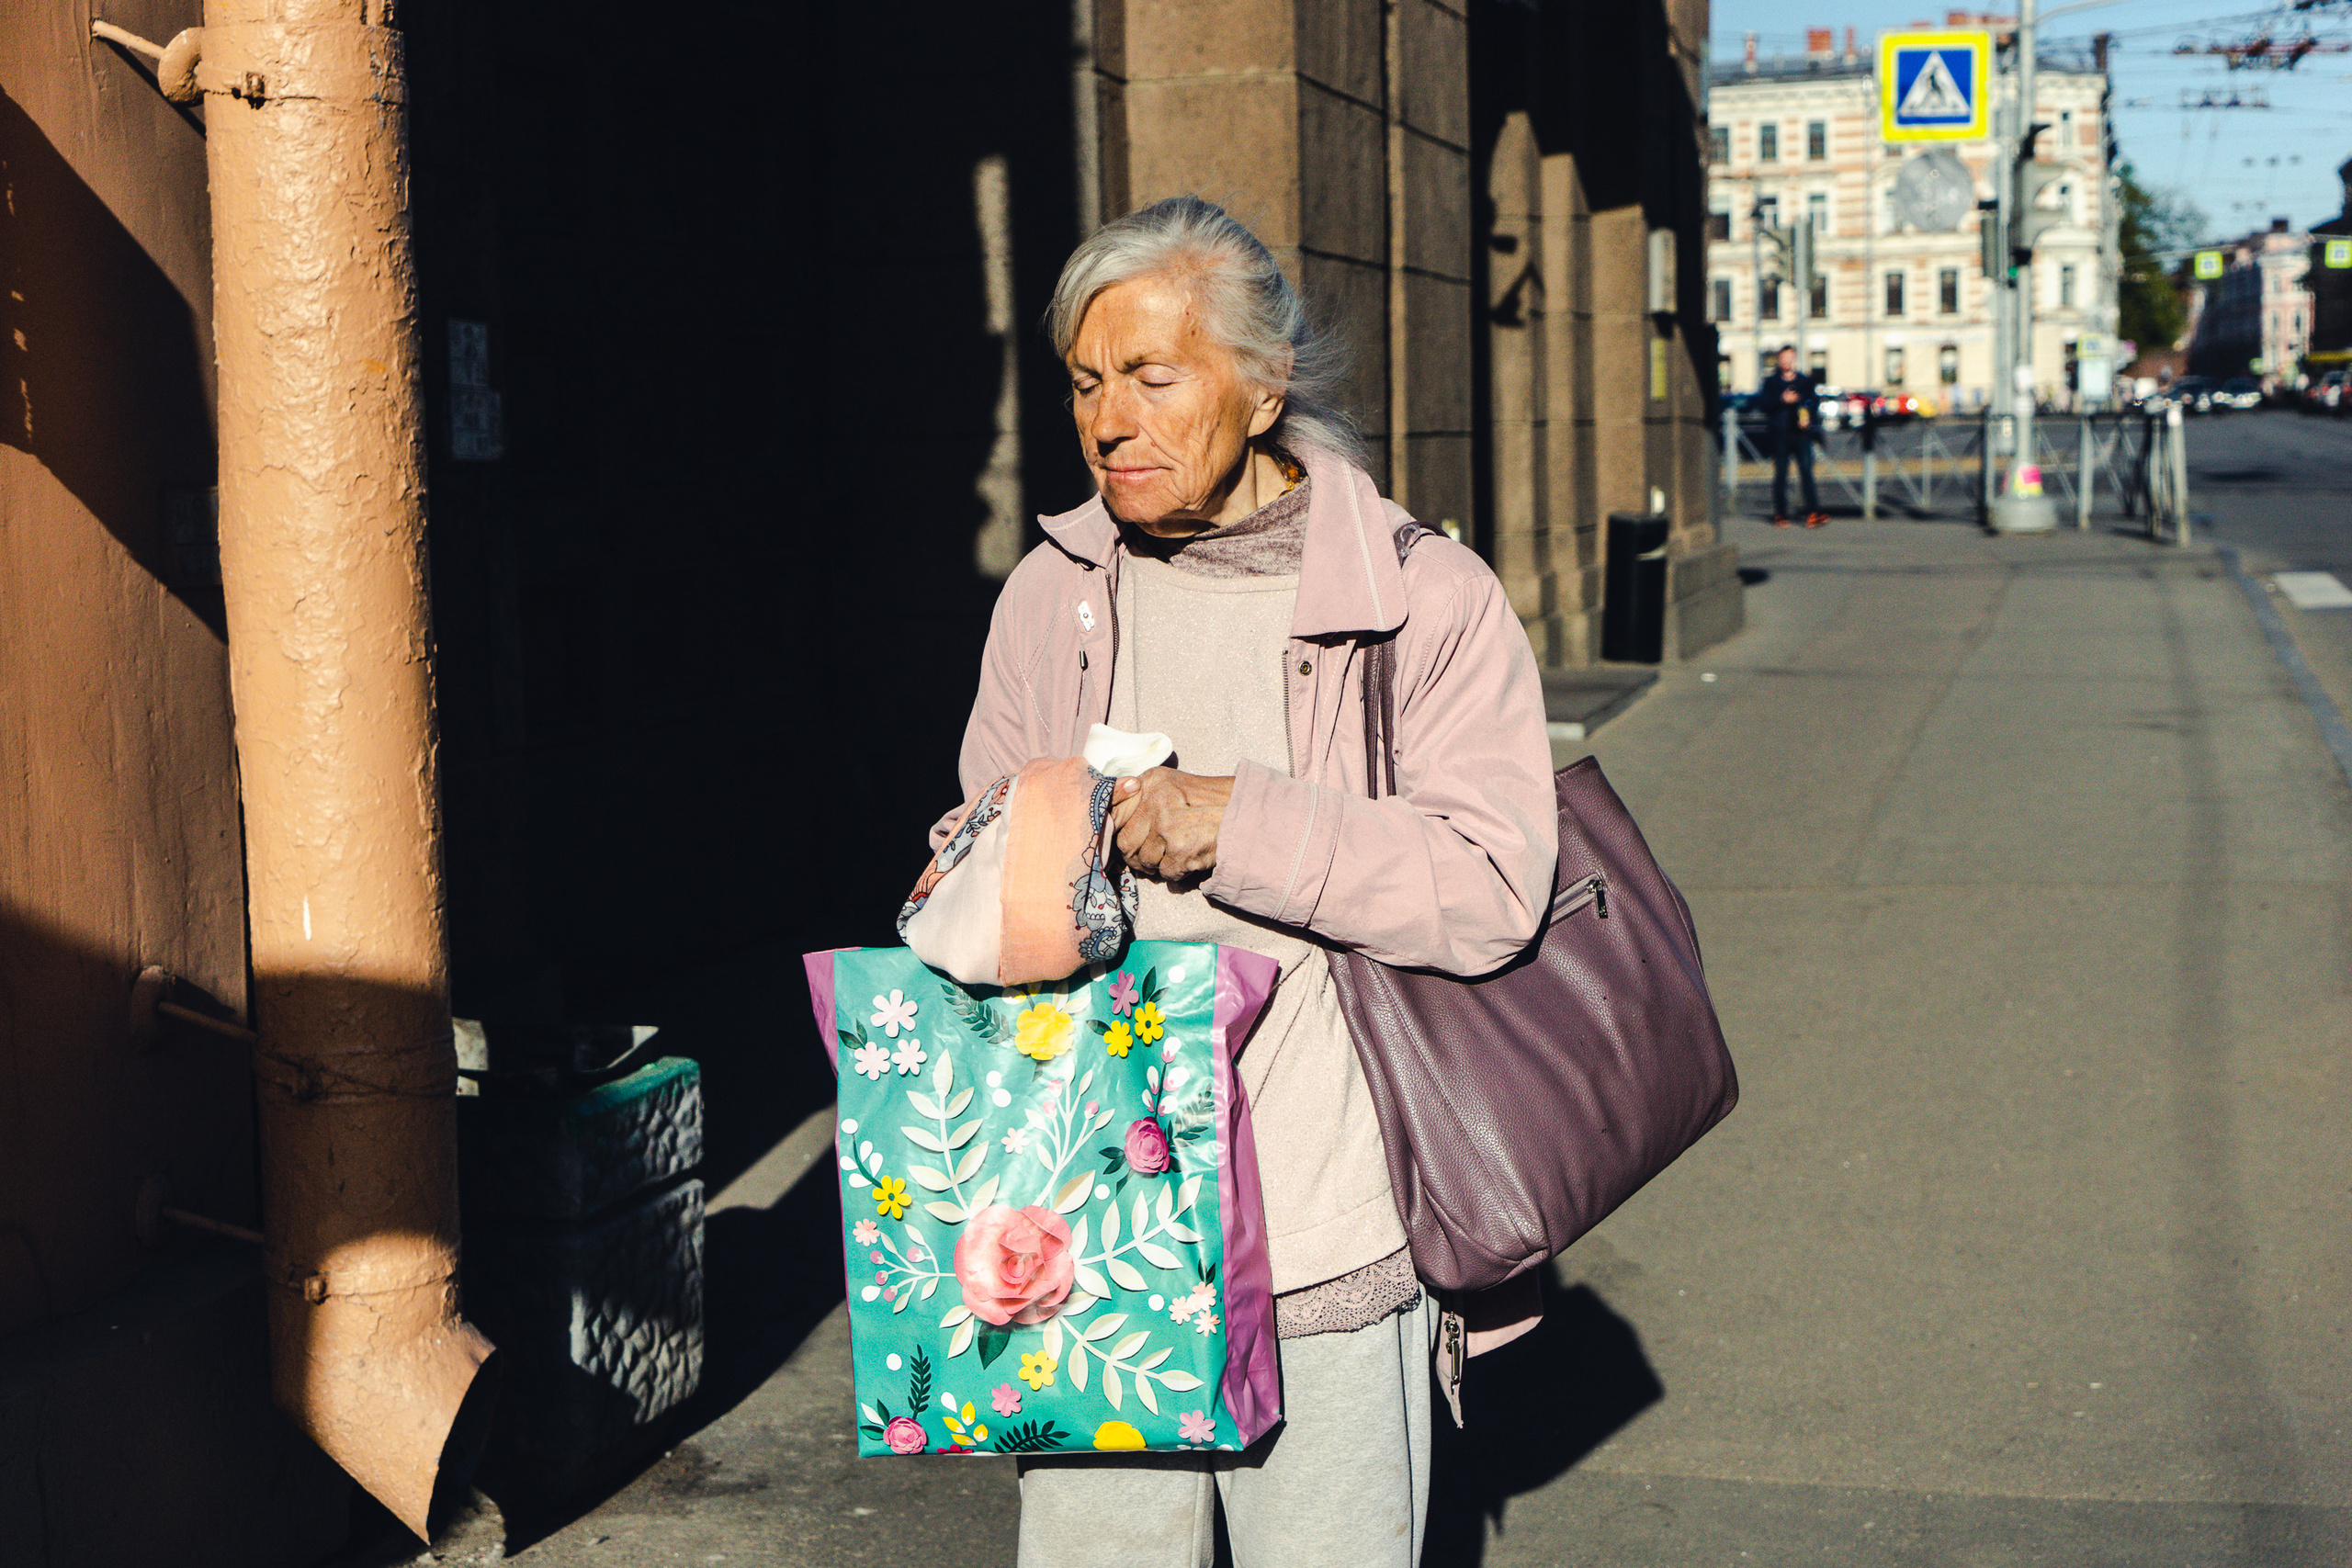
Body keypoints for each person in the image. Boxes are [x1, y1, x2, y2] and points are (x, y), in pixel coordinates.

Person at [945, 196, 1558, 1568]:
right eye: (1088, 384)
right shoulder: (1053, 594)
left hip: (1326, 1222)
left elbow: (1492, 880)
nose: (1110, 418)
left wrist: (1242, 823)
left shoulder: (1423, 597)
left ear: (1264, 382)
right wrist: (1029, 838)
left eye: (1154, 376)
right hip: (1096, 1226)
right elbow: (963, 862)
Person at [1761, 345, 1826, 527]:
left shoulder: (1804, 381)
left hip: (1801, 433)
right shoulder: (1771, 382)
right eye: (1783, 358)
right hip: (1780, 433)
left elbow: (1812, 403)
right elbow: (1764, 404)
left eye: (1790, 358)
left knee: (1806, 472)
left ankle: (1813, 512)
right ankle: (1781, 513)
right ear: (1779, 360)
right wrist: (1781, 399)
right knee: (1781, 474)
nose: (1786, 361)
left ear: (1794, 359)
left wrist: (1808, 418)